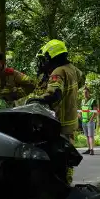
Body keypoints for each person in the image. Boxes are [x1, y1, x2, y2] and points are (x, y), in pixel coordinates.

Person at [25, 39, 82, 183]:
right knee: (67, 157)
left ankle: (60, 188)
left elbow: (54, 94)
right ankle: (66, 183)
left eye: (46, 58)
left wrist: (36, 100)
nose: (44, 62)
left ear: (52, 57)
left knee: (58, 158)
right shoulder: (73, 69)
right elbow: (80, 81)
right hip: (71, 122)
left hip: (59, 123)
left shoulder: (58, 71)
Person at [80, 86, 98, 156]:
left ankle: (92, 149)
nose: (85, 94)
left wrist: (91, 120)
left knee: (91, 136)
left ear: (89, 93)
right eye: (84, 93)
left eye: (86, 92)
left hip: (90, 121)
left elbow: (95, 112)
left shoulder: (93, 101)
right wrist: (80, 117)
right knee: (87, 136)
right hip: (84, 121)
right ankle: (88, 149)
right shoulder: (82, 101)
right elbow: (81, 110)